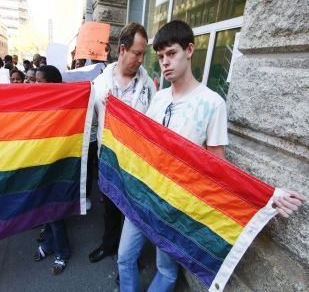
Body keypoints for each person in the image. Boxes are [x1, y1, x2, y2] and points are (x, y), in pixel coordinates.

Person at [117, 20, 307, 292]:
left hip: (175, 206)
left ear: (190, 50)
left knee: (166, 270)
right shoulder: (158, 99)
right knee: (125, 257)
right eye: (160, 57)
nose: (165, 63)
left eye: (172, 54)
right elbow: (144, 144)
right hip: (144, 194)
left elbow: (219, 168)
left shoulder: (212, 103)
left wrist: (265, 196)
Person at [89, 22, 156, 264]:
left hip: (136, 162)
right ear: (123, 49)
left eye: (144, 54)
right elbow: (91, 122)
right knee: (110, 208)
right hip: (108, 158)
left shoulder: (148, 86)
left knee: (134, 210)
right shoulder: (99, 84)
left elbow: (154, 123)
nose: (141, 59)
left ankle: (130, 258)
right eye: (137, 53)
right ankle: (109, 246)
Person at [33, 65, 71, 275]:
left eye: (40, 80)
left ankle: (62, 252)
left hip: (56, 168)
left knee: (54, 214)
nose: (35, 84)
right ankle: (49, 245)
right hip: (39, 167)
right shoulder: (36, 104)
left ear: (52, 83)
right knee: (45, 211)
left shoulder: (63, 107)